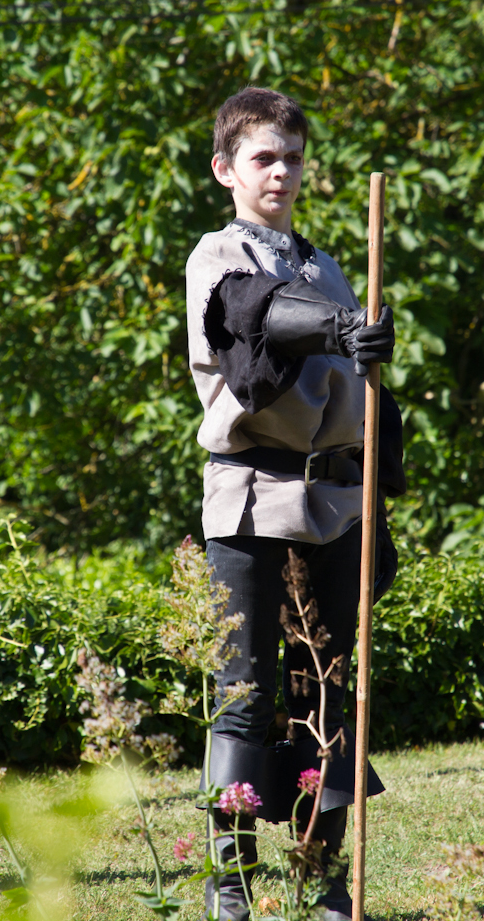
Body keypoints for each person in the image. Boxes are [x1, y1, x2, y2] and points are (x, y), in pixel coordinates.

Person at [186, 88, 403, 921]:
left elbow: (357, 390)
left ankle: (321, 879)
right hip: (251, 500)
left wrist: (363, 343)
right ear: (226, 169)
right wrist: (340, 327)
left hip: (334, 502)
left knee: (328, 693)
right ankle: (231, 886)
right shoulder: (217, 255)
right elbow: (254, 312)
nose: (281, 171)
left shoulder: (326, 265)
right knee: (243, 696)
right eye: (263, 157)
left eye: (293, 158)